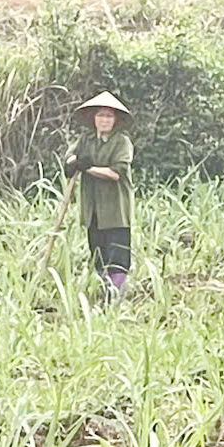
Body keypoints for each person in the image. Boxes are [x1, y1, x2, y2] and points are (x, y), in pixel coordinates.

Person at [52, 90, 135, 295]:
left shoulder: (121, 142)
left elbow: (116, 173)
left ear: (115, 120)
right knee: (98, 253)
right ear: (94, 119)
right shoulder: (86, 139)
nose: (104, 120)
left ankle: (116, 295)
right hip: (92, 208)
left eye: (109, 116)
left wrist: (87, 167)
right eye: (101, 115)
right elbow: (70, 157)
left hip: (115, 209)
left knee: (117, 256)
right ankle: (104, 290)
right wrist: (73, 163)